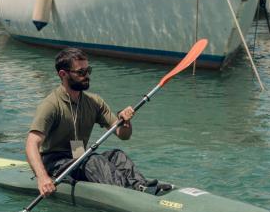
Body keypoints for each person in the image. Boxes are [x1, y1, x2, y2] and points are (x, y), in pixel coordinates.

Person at [26, 48, 167, 197]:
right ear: (63, 74)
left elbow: (123, 135)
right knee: (93, 160)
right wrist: (42, 177)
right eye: (81, 72)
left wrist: (125, 122)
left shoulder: (94, 102)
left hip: (79, 157)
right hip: (55, 163)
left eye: (88, 70)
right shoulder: (51, 105)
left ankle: (140, 185)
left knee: (116, 155)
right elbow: (31, 144)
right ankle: (128, 194)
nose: (87, 76)